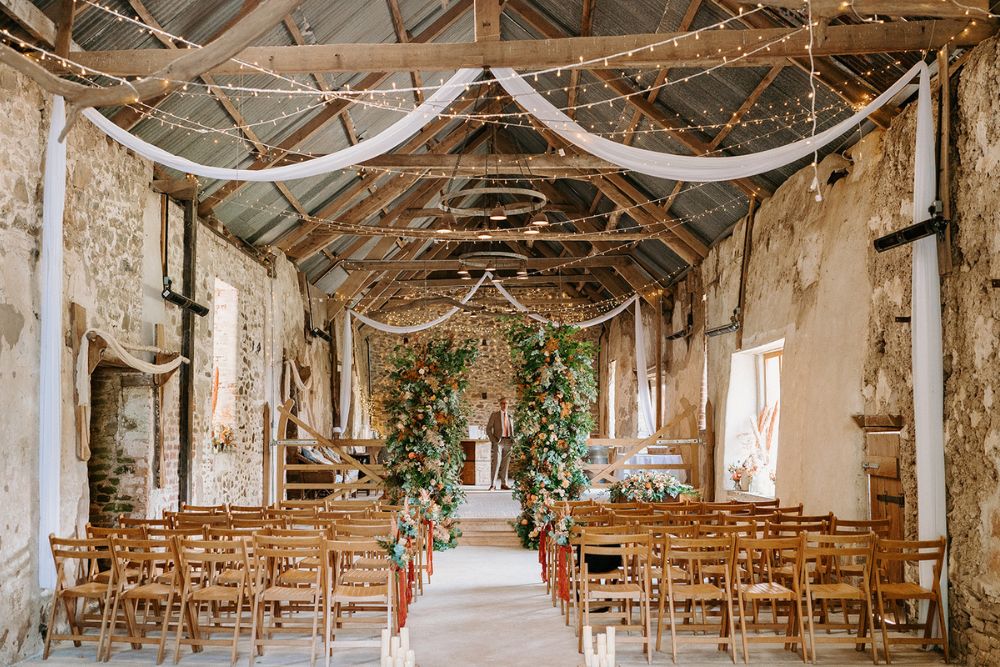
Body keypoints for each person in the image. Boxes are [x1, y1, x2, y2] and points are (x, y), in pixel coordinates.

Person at [486, 397, 514, 491]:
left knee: (505, 464)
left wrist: (514, 439)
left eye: (506, 403)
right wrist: (493, 439)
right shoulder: (495, 415)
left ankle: (504, 484)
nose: (504, 405)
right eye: (502, 403)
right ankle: (493, 485)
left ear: (508, 404)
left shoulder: (511, 416)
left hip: (509, 441)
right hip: (498, 441)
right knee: (496, 462)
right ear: (500, 404)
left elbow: (513, 429)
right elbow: (488, 428)